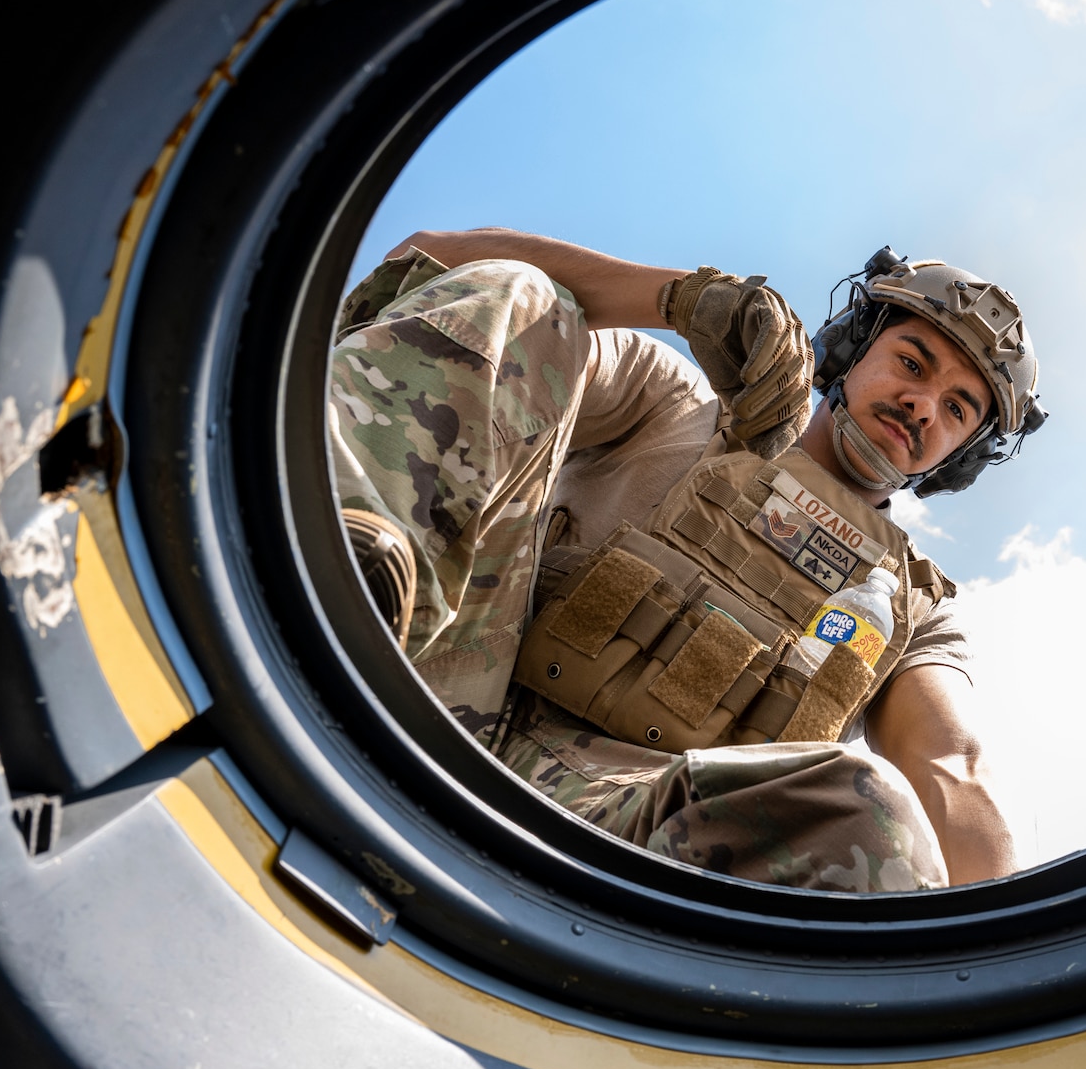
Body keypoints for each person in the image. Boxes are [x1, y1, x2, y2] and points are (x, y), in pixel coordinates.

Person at [327, 228, 1045, 892]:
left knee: (871, 809)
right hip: (446, 686)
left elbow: (952, 768)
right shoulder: (673, 403)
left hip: (641, 838)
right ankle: (334, 579)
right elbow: (444, 268)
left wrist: (1008, 963)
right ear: (854, 349)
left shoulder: (914, 608)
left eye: (957, 409)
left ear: (961, 453)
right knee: (531, 292)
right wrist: (681, 300)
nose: (922, 404)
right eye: (912, 364)